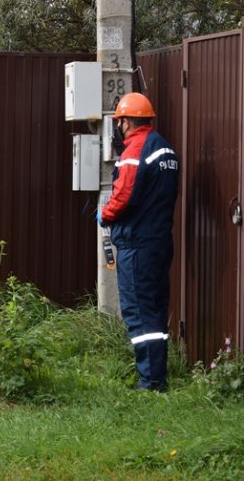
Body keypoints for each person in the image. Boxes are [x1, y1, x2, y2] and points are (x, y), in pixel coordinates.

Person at [98, 93, 179, 391]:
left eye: (120, 122)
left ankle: (150, 381)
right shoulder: (165, 149)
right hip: (159, 241)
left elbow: (123, 195)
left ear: (126, 122)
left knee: (138, 311)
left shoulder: (135, 149)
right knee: (155, 309)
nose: (119, 127)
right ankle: (157, 375)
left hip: (137, 245)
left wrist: (105, 215)